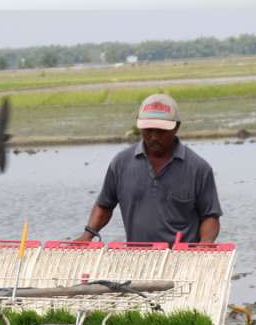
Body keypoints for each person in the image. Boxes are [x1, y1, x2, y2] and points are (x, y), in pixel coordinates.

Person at [77, 93, 222, 245]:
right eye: (148, 130)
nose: (154, 137)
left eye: (161, 131)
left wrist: (206, 242)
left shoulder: (198, 169)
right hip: (139, 258)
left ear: (176, 127)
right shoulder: (121, 164)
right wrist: (87, 236)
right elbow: (104, 205)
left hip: (183, 259)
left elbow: (210, 216)